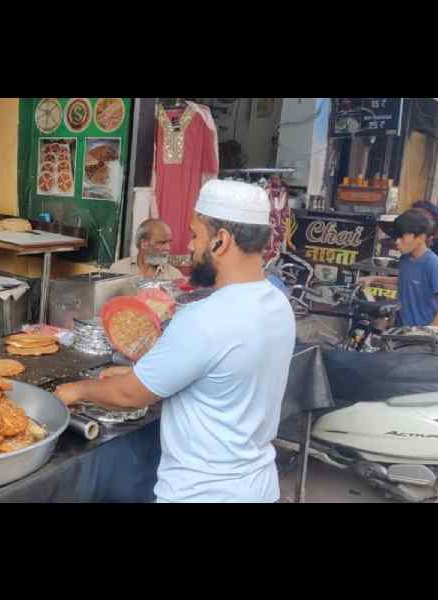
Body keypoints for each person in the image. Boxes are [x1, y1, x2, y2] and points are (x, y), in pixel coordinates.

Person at [56, 180, 296, 503]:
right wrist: (141, 375)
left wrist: (77, 390)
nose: (191, 247)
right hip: (259, 488)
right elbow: (219, 382)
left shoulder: (204, 318)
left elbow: (129, 395)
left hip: (202, 493)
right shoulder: (278, 304)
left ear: (220, 242)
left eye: (196, 235)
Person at [360, 208, 438, 328]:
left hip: (418, 333)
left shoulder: (432, 263)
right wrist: (373, 279)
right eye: (396, 238)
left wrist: (429, 332)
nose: (397, 242)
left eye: (402, 237)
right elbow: (405, 281)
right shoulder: (405, 258)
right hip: (401, 328)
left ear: (421, 238)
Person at [110, 219, 184, 281]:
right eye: (162, 243)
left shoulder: (174, 276)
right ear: (143, 243)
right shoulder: (118, 269)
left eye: (168, 242)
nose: (168, 248)